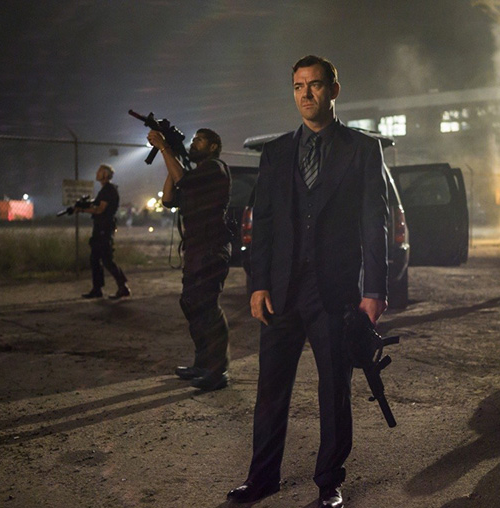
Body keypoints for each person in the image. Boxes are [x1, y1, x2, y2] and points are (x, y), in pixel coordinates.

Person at [226, 55, 389, 508]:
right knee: (270, 389)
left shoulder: (362, 149)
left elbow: (374, 223)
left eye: (315, 85)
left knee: (334, 389)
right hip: (282, 290)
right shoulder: (277, 152)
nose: (306, 94)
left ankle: (328, 483)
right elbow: (264, 224)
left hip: (334, 292)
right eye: (298, 86)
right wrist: (259, 284)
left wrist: (375, 291)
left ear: (333, 90)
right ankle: (262, 478)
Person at [147, 127, 232, 391]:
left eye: (199, 140)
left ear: (213, 146)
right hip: (196, 249)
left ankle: (218, 371)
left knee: (207, 306)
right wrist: (171, 156)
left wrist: (165, 148)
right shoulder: (195, 175)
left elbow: (182, 180)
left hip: (212, 248)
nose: (194, 143)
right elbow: (168, 199)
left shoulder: (215, 168)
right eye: (193, 140)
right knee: (192, 304)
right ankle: (203, 363)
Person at [79, 164, 130, 299]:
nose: (97, 173)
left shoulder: (108, 190)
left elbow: (100, 209)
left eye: (99, 171)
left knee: (106, 259)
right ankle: (97, 289)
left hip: (104, 228)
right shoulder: (105, 190)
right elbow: (97, 204)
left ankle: (123, 286)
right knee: (95, 259)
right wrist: (84, 205)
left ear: (106, 174)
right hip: (100, 227)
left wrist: (82, 210)